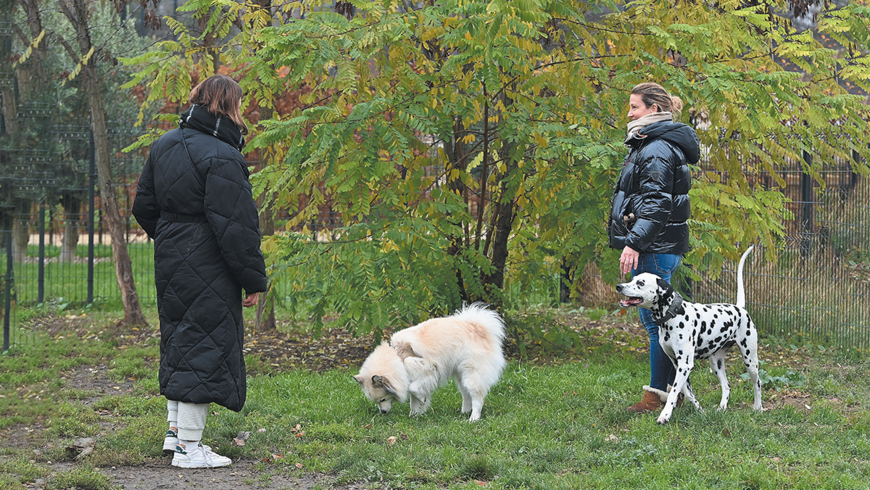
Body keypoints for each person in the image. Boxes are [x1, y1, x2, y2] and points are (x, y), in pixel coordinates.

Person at [132, 74, 268, 468]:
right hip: (209, 259)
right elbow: (237, 227)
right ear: (229, 105)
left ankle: (175, 437)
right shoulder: (223, 155)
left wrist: (173, 236)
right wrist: (253, 279)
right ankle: (190, 449)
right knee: (205, 346)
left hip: (172, 256)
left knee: (181, 343)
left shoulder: (164, 144)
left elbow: (143, 207)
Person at [608, 82, 700, 414]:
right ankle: (678, 393)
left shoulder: (658, 147)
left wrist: (634, 242)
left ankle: (658, 397)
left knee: (659, 325)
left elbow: (658, 204)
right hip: (658, 245)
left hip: (654, 247)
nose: (629, 113)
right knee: (663, 323)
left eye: (635, 107)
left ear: (655, 110)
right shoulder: (650, 143)